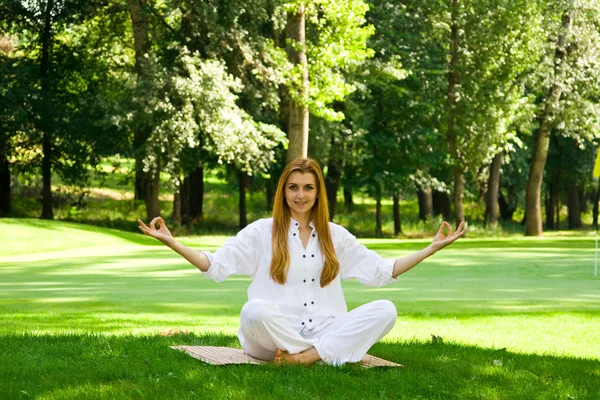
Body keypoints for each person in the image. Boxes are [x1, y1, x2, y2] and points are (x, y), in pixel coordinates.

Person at [138, 158, 466, 366]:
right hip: (270, 337)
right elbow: (215, 265)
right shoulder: (261, 232)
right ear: (283, 192)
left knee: (385, 310)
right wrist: (172, 242)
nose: (300, 194)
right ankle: (321, 355)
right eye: (293, 187)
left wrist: (430, 249)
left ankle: (306, 357)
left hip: (323, 329)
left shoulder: (335, 235)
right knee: (253, 310)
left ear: (318, 193)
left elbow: (381, 271)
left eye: (308, 188)